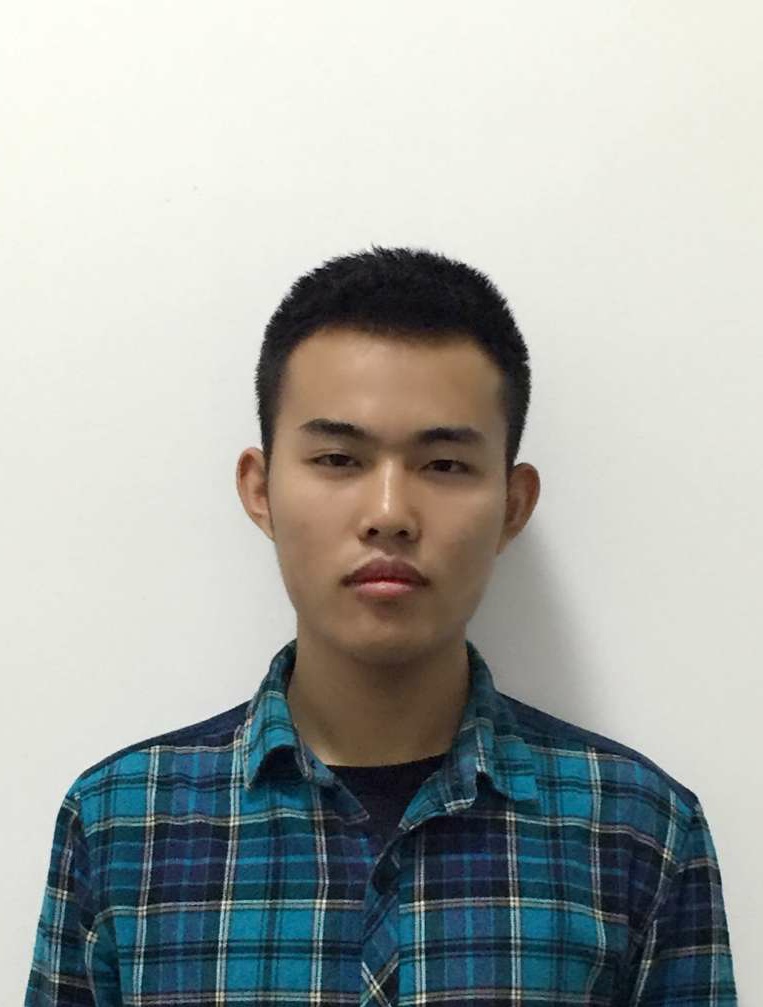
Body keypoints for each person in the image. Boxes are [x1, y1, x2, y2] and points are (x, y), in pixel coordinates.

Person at [26, 245, 737, 1004]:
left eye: (444, 465)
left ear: (512, 504)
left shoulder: (639, 830)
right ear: (261, 490)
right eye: (339, 458)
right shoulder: (121, 824)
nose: (390, 513)